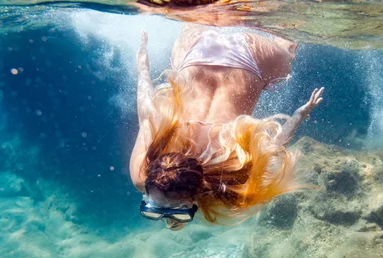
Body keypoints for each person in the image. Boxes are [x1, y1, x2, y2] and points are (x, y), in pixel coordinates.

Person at [130, 25, 324, 231]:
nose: (166, 219)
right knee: (197, 16)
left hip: (249, 62)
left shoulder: (228, 178)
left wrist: (299, 115)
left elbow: (274, 146)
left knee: (288, 43)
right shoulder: (144, 171)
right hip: (195, 55)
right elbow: (145, 109)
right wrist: (143, 65)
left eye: (152, 211)